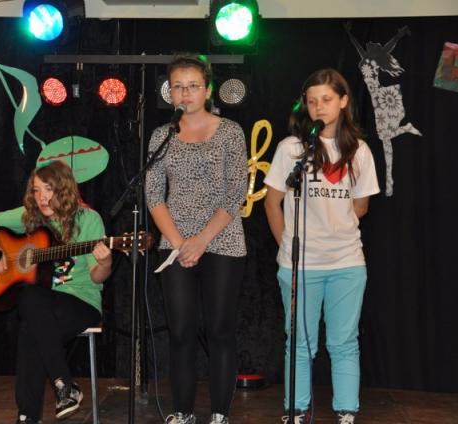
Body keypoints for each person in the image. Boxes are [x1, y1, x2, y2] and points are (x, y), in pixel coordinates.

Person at [264, 68, 380, 424]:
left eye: (326, 100)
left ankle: (346, 411)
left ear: (343, 102)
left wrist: (334, 228)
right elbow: (272, 202)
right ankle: (296, 410)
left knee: (344, 341)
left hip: (346, 262)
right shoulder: (291, 149)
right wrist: (287, 247)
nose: (319, 107)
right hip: (300, 264)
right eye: (312, 101)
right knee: (300, 342)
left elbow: (361, 206)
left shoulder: (359, 151)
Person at [145, 54, 248, 424]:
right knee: (180, 332)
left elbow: (236, 192)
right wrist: (179, 243)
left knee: (219, 330)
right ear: (169, 92)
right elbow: (153, 195)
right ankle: (183, 412)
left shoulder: (231, 131)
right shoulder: (162, 136)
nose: (185, 93)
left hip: (222, 239)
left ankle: (219, 413)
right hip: (175, 244)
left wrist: (201, 241)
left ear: (207, 89)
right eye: (178, 86)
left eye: (192, 86)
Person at [0, 160, 112, 424]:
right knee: (32, 308)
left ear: (64, 189)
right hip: (42, 305)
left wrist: (105, 263)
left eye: (48, 189)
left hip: (81, 301)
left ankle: (29, 416)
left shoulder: (88, 220)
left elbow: (97, 277)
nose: (41, 197)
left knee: (31, 318)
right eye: (36, 190)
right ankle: (63, 387)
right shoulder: (32, 217)